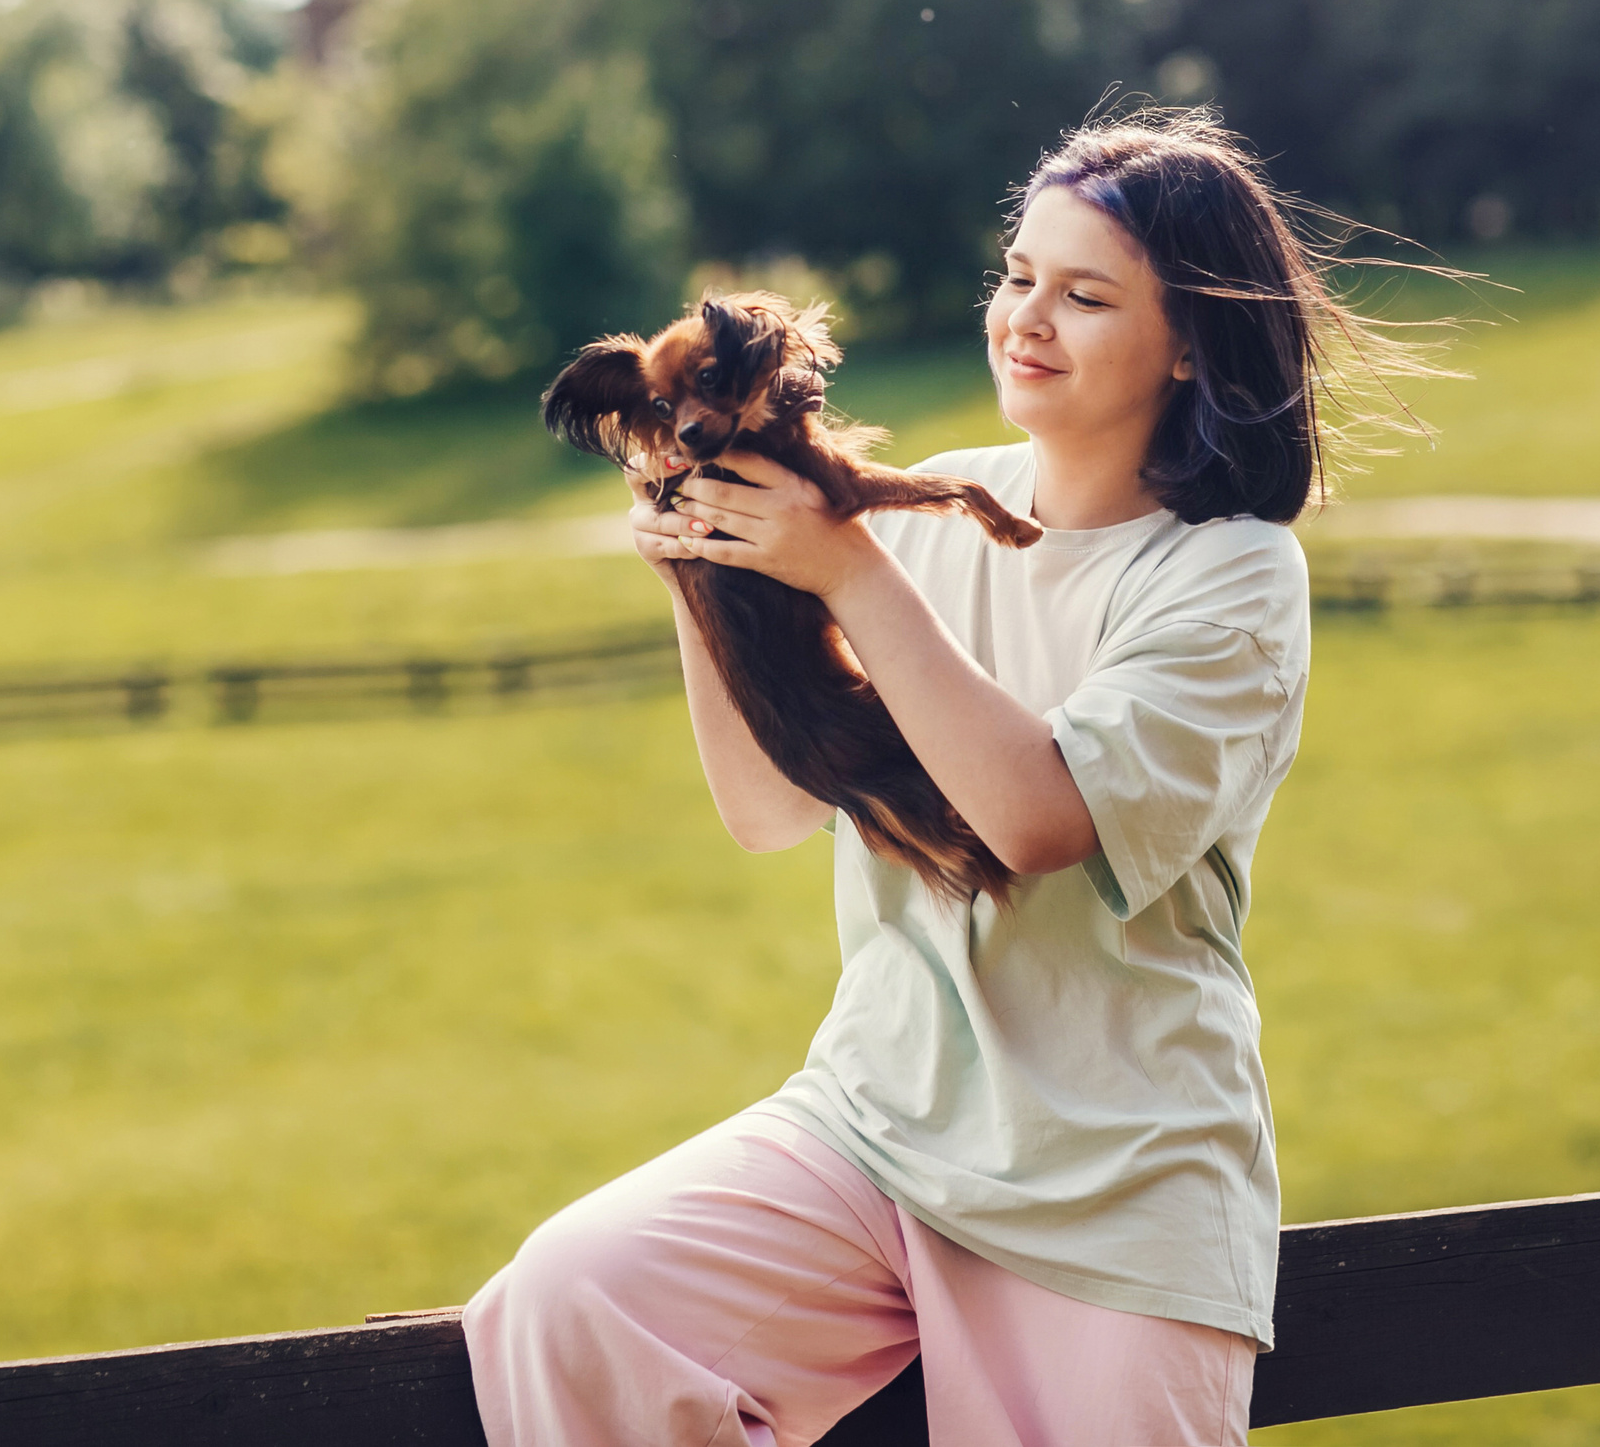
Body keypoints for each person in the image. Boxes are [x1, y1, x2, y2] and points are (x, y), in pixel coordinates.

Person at [464, 111, 1379, 1447]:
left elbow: (1039, 819)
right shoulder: (938, 501)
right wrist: (701, 569)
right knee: (574, 1300)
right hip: (871, 1134)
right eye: (1019, 275)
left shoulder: (1229, 573)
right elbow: (770, 808)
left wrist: (843, 568)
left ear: (1189, 341)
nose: (1028, 316)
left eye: (1085, 294)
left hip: (1112, 1187)